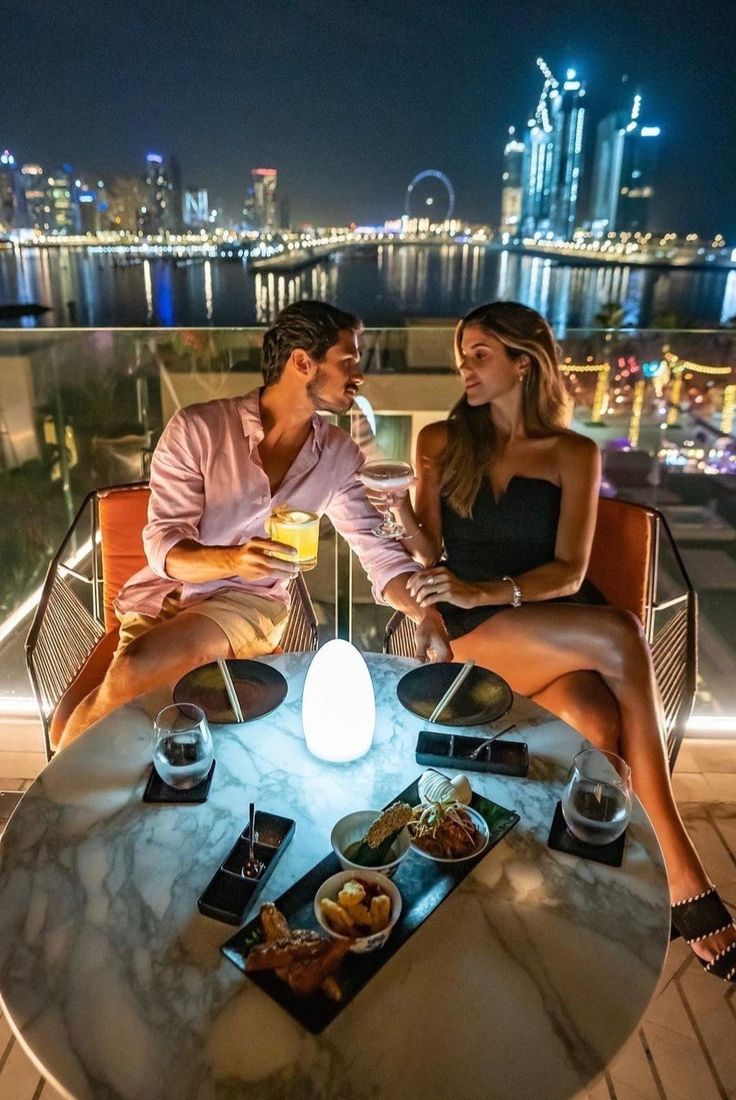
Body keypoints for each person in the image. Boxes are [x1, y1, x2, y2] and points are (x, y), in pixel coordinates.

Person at [376, 299, 736, 983]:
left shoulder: (574, 452)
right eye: (462, 355)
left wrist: (495, 590)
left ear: (524, 362)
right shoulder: (440, 442)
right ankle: (682, 872)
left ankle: (577, 893)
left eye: (480, 354)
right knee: (624, 632)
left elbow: (570, 569)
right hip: (473, 632)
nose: (465, 367)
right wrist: (399, 510)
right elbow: (428, 553)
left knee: (597, 720)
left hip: (545, 623)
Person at [59, 300, 451, 748]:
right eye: (348, 362)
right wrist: (234, 557)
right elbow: (164, 544)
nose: (359, 376)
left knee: (136, 667)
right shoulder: (198, 430)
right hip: (159, 595)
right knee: (139, 710)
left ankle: (56, 799)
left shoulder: (340, 456)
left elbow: (381, 555)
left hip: (247, 600)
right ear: (303, 362)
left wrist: (427, 612)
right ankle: (85, 794)